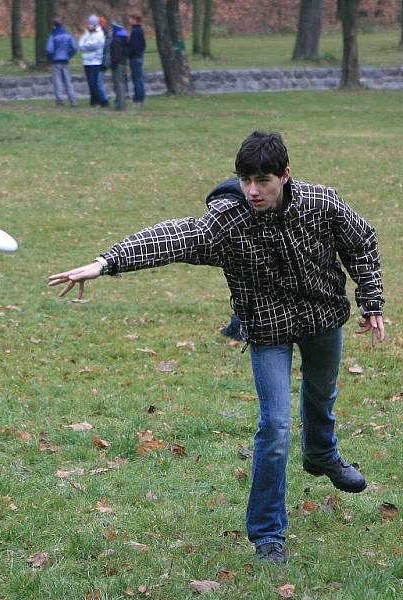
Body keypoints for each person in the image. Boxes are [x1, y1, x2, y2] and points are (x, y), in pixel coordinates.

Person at [48, 131, 385, 564]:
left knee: (321, 398)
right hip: (267, 331)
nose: (252, 190)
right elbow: (172, 237)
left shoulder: (320, 204)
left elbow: (362, 242)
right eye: (245, 180)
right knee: (276, 428)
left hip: (322, 320)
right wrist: (106, 262)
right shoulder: (229, 223)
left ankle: (322, 455)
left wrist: (371, 302)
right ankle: (268, 534)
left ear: (285, 175)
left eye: (262, 180)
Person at [46, 18, 78, 107]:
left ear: (54, 26)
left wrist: (51, 58)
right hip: (66, 61)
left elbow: (49, 49)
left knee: (57, 81)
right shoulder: (68, 34)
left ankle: (59, 100)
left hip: (56, 61)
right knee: (68, 81)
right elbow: (74, 48)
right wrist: (69, 55)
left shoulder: (53, 35)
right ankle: (73, 100)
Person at [78, 15, 108, 107]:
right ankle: (93, 101)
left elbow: (95, 45)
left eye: (91, 24)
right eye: (89, 24)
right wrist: (86, 46)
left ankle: (97, 101)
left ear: (95, 25)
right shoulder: (87, 33)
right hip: (86, 61)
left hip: (95, 61)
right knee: (90, 83)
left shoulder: (100, 34)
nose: (89, 26)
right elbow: (80, 43)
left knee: (93, 82)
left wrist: (85, 46)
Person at [109, 19, 130, 111]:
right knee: (121, 83)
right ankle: (121, 104)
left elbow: (116, 53)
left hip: (118, 64)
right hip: (123, 62)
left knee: (119, 84)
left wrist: (113, 63)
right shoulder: (124, 36)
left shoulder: (117, 38)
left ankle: (120, 105)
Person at [128, 14, 147, 105]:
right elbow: (143, 45)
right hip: (139, 57)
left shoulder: (135, 31)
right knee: (139, 78)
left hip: (135, 58)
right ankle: (141, 97)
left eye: (131, 18)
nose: (129, 20)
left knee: (137, 79)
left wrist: (128, 54)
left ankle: (138, 98)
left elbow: (133, 46)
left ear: (135, 20)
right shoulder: (140, 30)